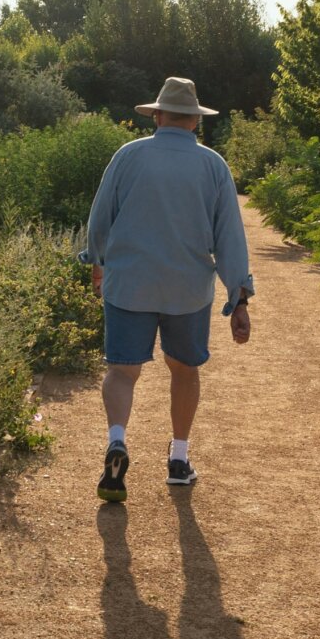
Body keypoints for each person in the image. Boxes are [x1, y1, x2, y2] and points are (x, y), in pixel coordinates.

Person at [81, 76, 254, 503]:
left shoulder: (128, 156)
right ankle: (178, 459)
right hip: (187, 289)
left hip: (130, 283)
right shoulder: (213, 165)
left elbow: (100, 217)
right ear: (195, 121)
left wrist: (97, 262)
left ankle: (117, 441)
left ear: (157, 116)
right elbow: (229, 235)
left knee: (123, 371)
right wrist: (239, 297)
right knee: (184, 369)